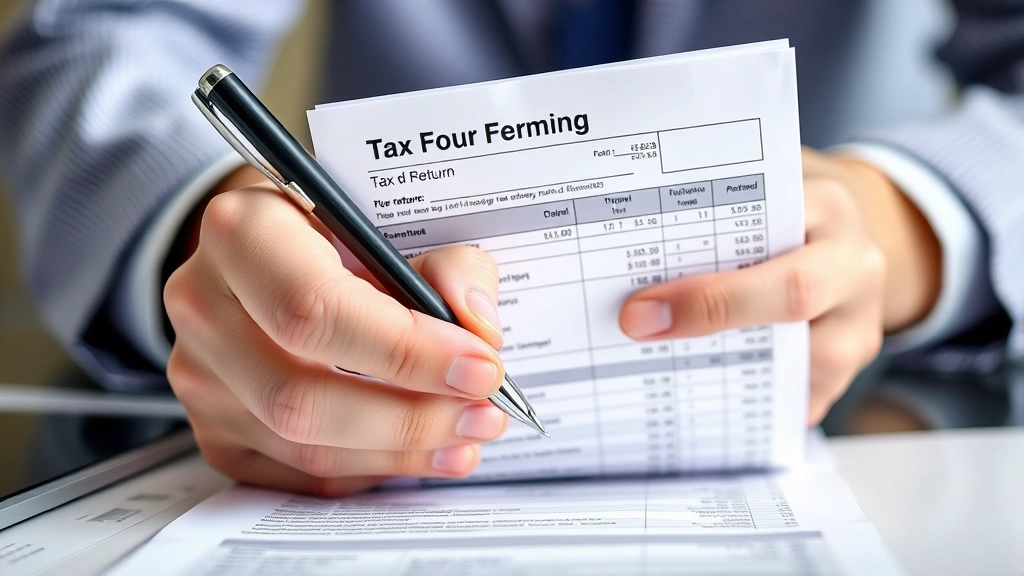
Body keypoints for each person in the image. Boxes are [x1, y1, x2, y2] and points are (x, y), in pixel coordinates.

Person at [0, 0, 1018, 495]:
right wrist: (203, 233)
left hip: (868, 395)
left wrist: (914, 220)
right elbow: (98, 36)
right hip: (375, 345)